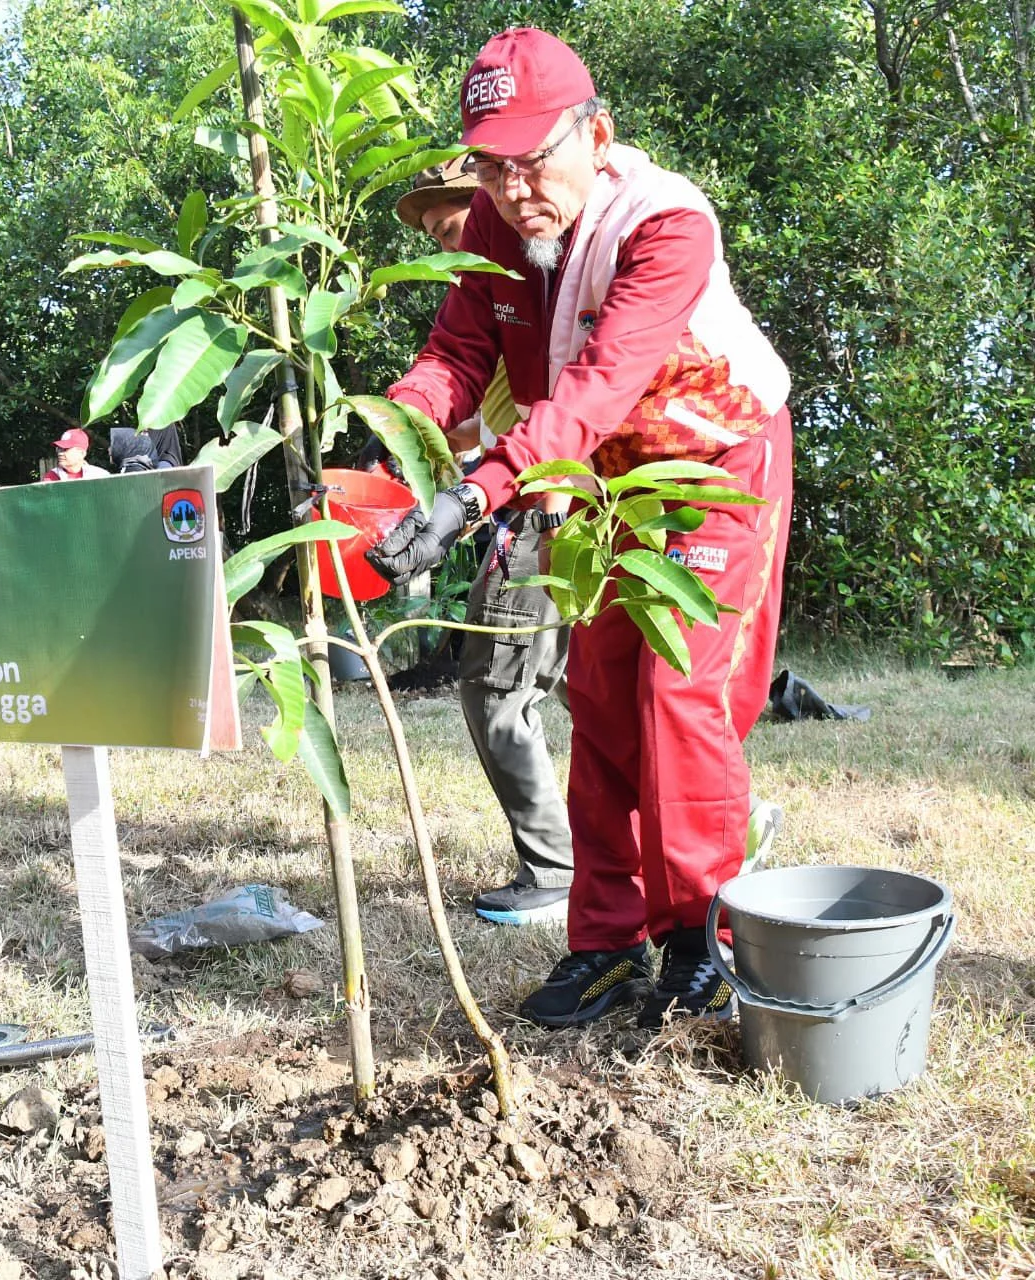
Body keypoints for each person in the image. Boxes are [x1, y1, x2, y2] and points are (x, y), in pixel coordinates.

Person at [366, 27, 793, 1030]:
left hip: (712, 467)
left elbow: (597, 388)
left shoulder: (667, 225)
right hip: (598, 483)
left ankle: (703, 939)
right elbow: (457, 354)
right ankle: (607, 941)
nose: (513, 191)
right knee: (599, 699)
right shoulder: (492, 224)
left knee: (676, 694)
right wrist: (395, 442)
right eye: (491, 167)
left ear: (595, 137)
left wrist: (474, 494)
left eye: (531, 160)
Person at [392, 158, 575, 926]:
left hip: (552, 504)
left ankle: (556, 872)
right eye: (436, 237)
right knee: (589, 688)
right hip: (535, 496)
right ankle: (705, 835)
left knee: (496, 684)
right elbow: (470, 419)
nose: (447, 246)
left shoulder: (547, 272)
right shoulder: (493, 302)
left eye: (452, 226)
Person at [41, 428, 111, 481]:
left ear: (82, 453)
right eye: (59, 449)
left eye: (66, 449)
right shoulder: (51, 478)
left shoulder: (99, 476)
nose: (60, 453)